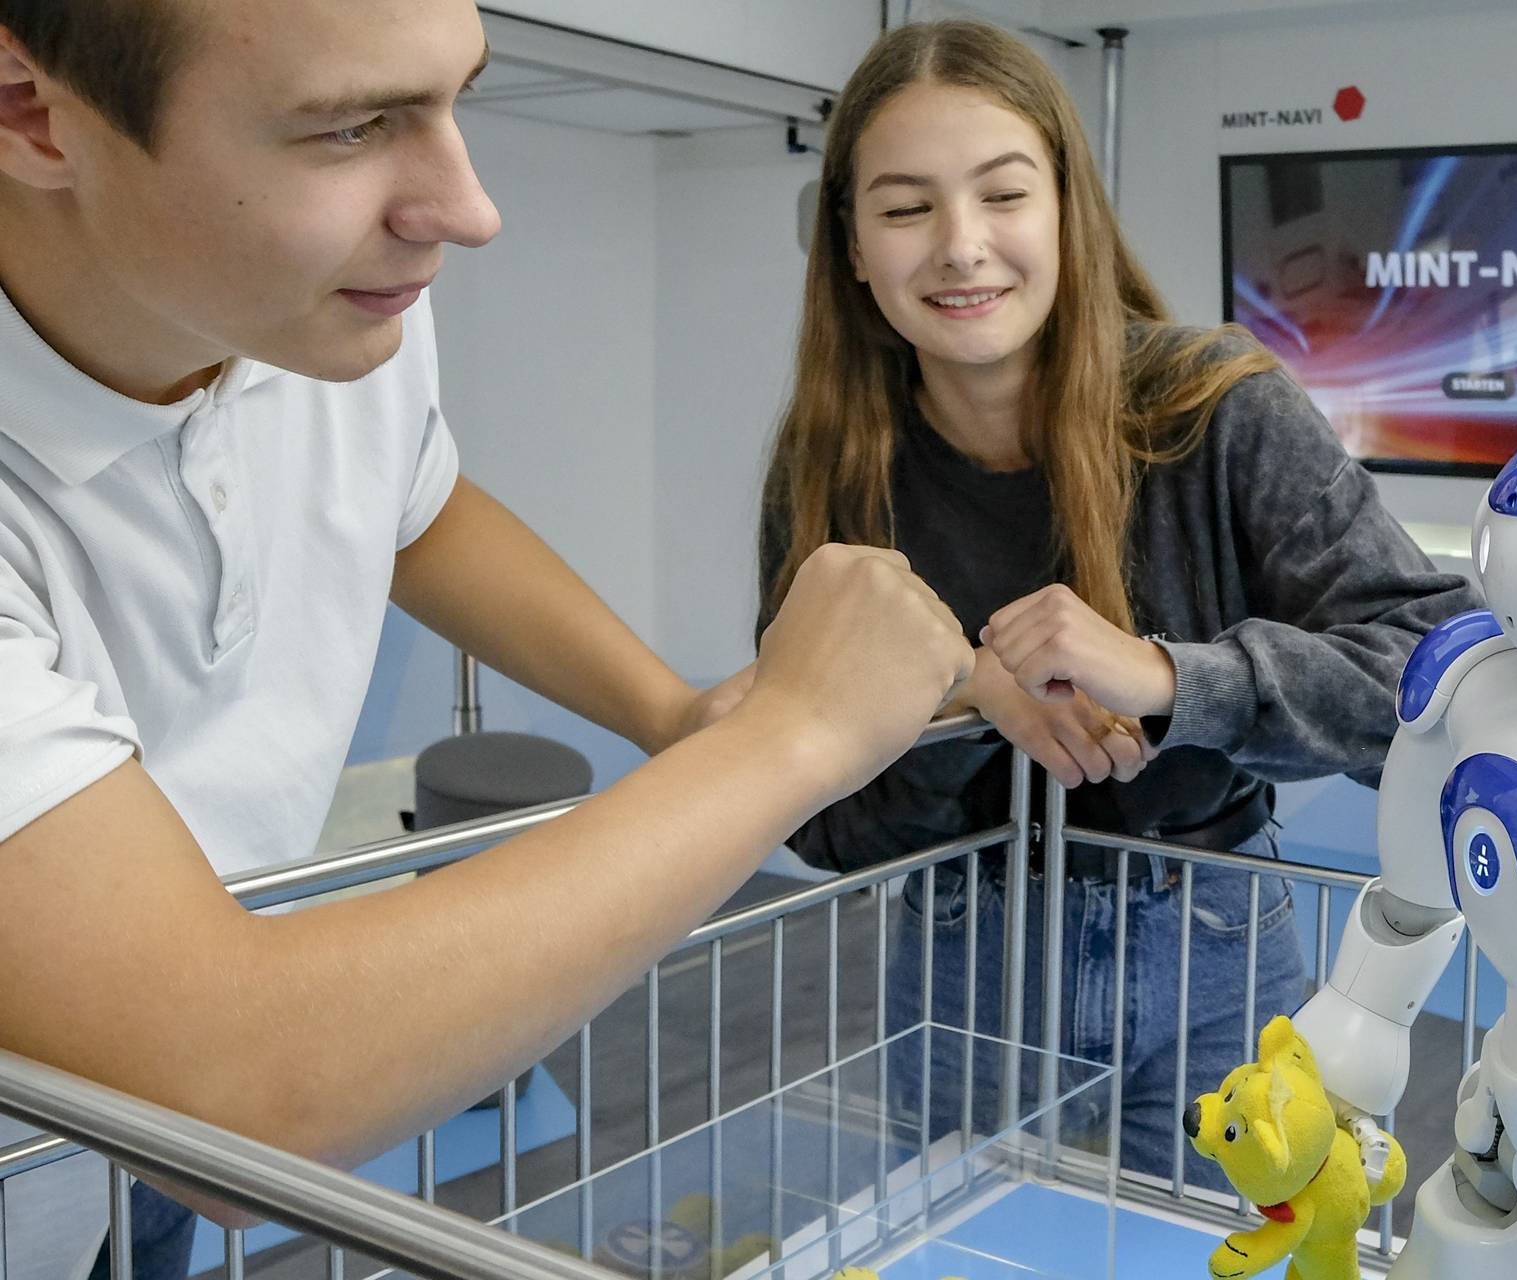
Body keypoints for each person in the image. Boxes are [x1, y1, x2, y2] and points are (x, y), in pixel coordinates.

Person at [0, 2, 975, 1278]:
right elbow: (231, 1090)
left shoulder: (322, 311)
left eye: (455, 97)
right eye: (351, 127)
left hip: (120, 1163)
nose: (468, 210)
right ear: (34, 114)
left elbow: (414, 506)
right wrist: (794, 737)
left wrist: (671, 711)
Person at [755, 20, 1477, 1192]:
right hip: (962, 962)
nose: (961, 245)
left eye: (1003, 194)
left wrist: (1171, 677)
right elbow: (823, 822)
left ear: (1068, 212)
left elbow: (1439, 676)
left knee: (1226, 1256)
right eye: (905, 208)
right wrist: (961, 698)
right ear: (851, 246)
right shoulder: (831, 469)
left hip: (1216, 952)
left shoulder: (1223, 408)